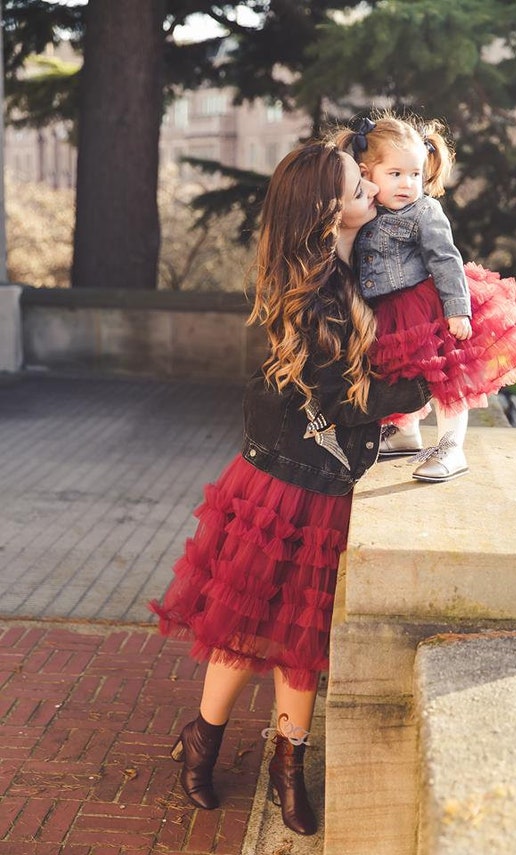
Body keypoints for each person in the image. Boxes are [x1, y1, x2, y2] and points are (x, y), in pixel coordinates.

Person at [148, 140, 431, 836]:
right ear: (324, 209)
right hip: (277, 482)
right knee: (243, 628)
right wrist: (422, 389)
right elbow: (344, 391)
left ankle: (288, 768)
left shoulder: (360, 265)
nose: (370, 188)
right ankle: (203, 738)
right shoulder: (310, 287)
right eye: (355, 185)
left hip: (328, 484)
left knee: (300, 637)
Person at [334, 112, 516, 482]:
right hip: (386, 311)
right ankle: (405, 433)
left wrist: (457, 309)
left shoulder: (424, 211)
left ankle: (452, 447)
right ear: (368, 174)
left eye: (415, 175)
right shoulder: (367, 210)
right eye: (396, 174)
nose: (408, 184)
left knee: (445, 378)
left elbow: (447, 260)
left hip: (427, 306)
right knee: (395, 375)